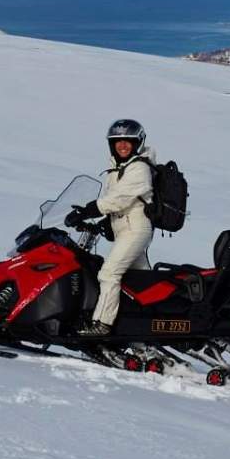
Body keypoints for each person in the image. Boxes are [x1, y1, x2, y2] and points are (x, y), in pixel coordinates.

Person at [65, 119, 155, 337]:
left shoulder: (139, 168)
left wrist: (88, 211)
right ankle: (144, 328)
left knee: (109, 274)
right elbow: (120, 201)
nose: (122, 145)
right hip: (125, 228)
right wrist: (102, 223)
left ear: (138, 143)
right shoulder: (117, 169)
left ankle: (101, 324)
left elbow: (119, 200)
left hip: (135, 230)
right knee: (140, 282)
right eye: (117, 142)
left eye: (128, 141)